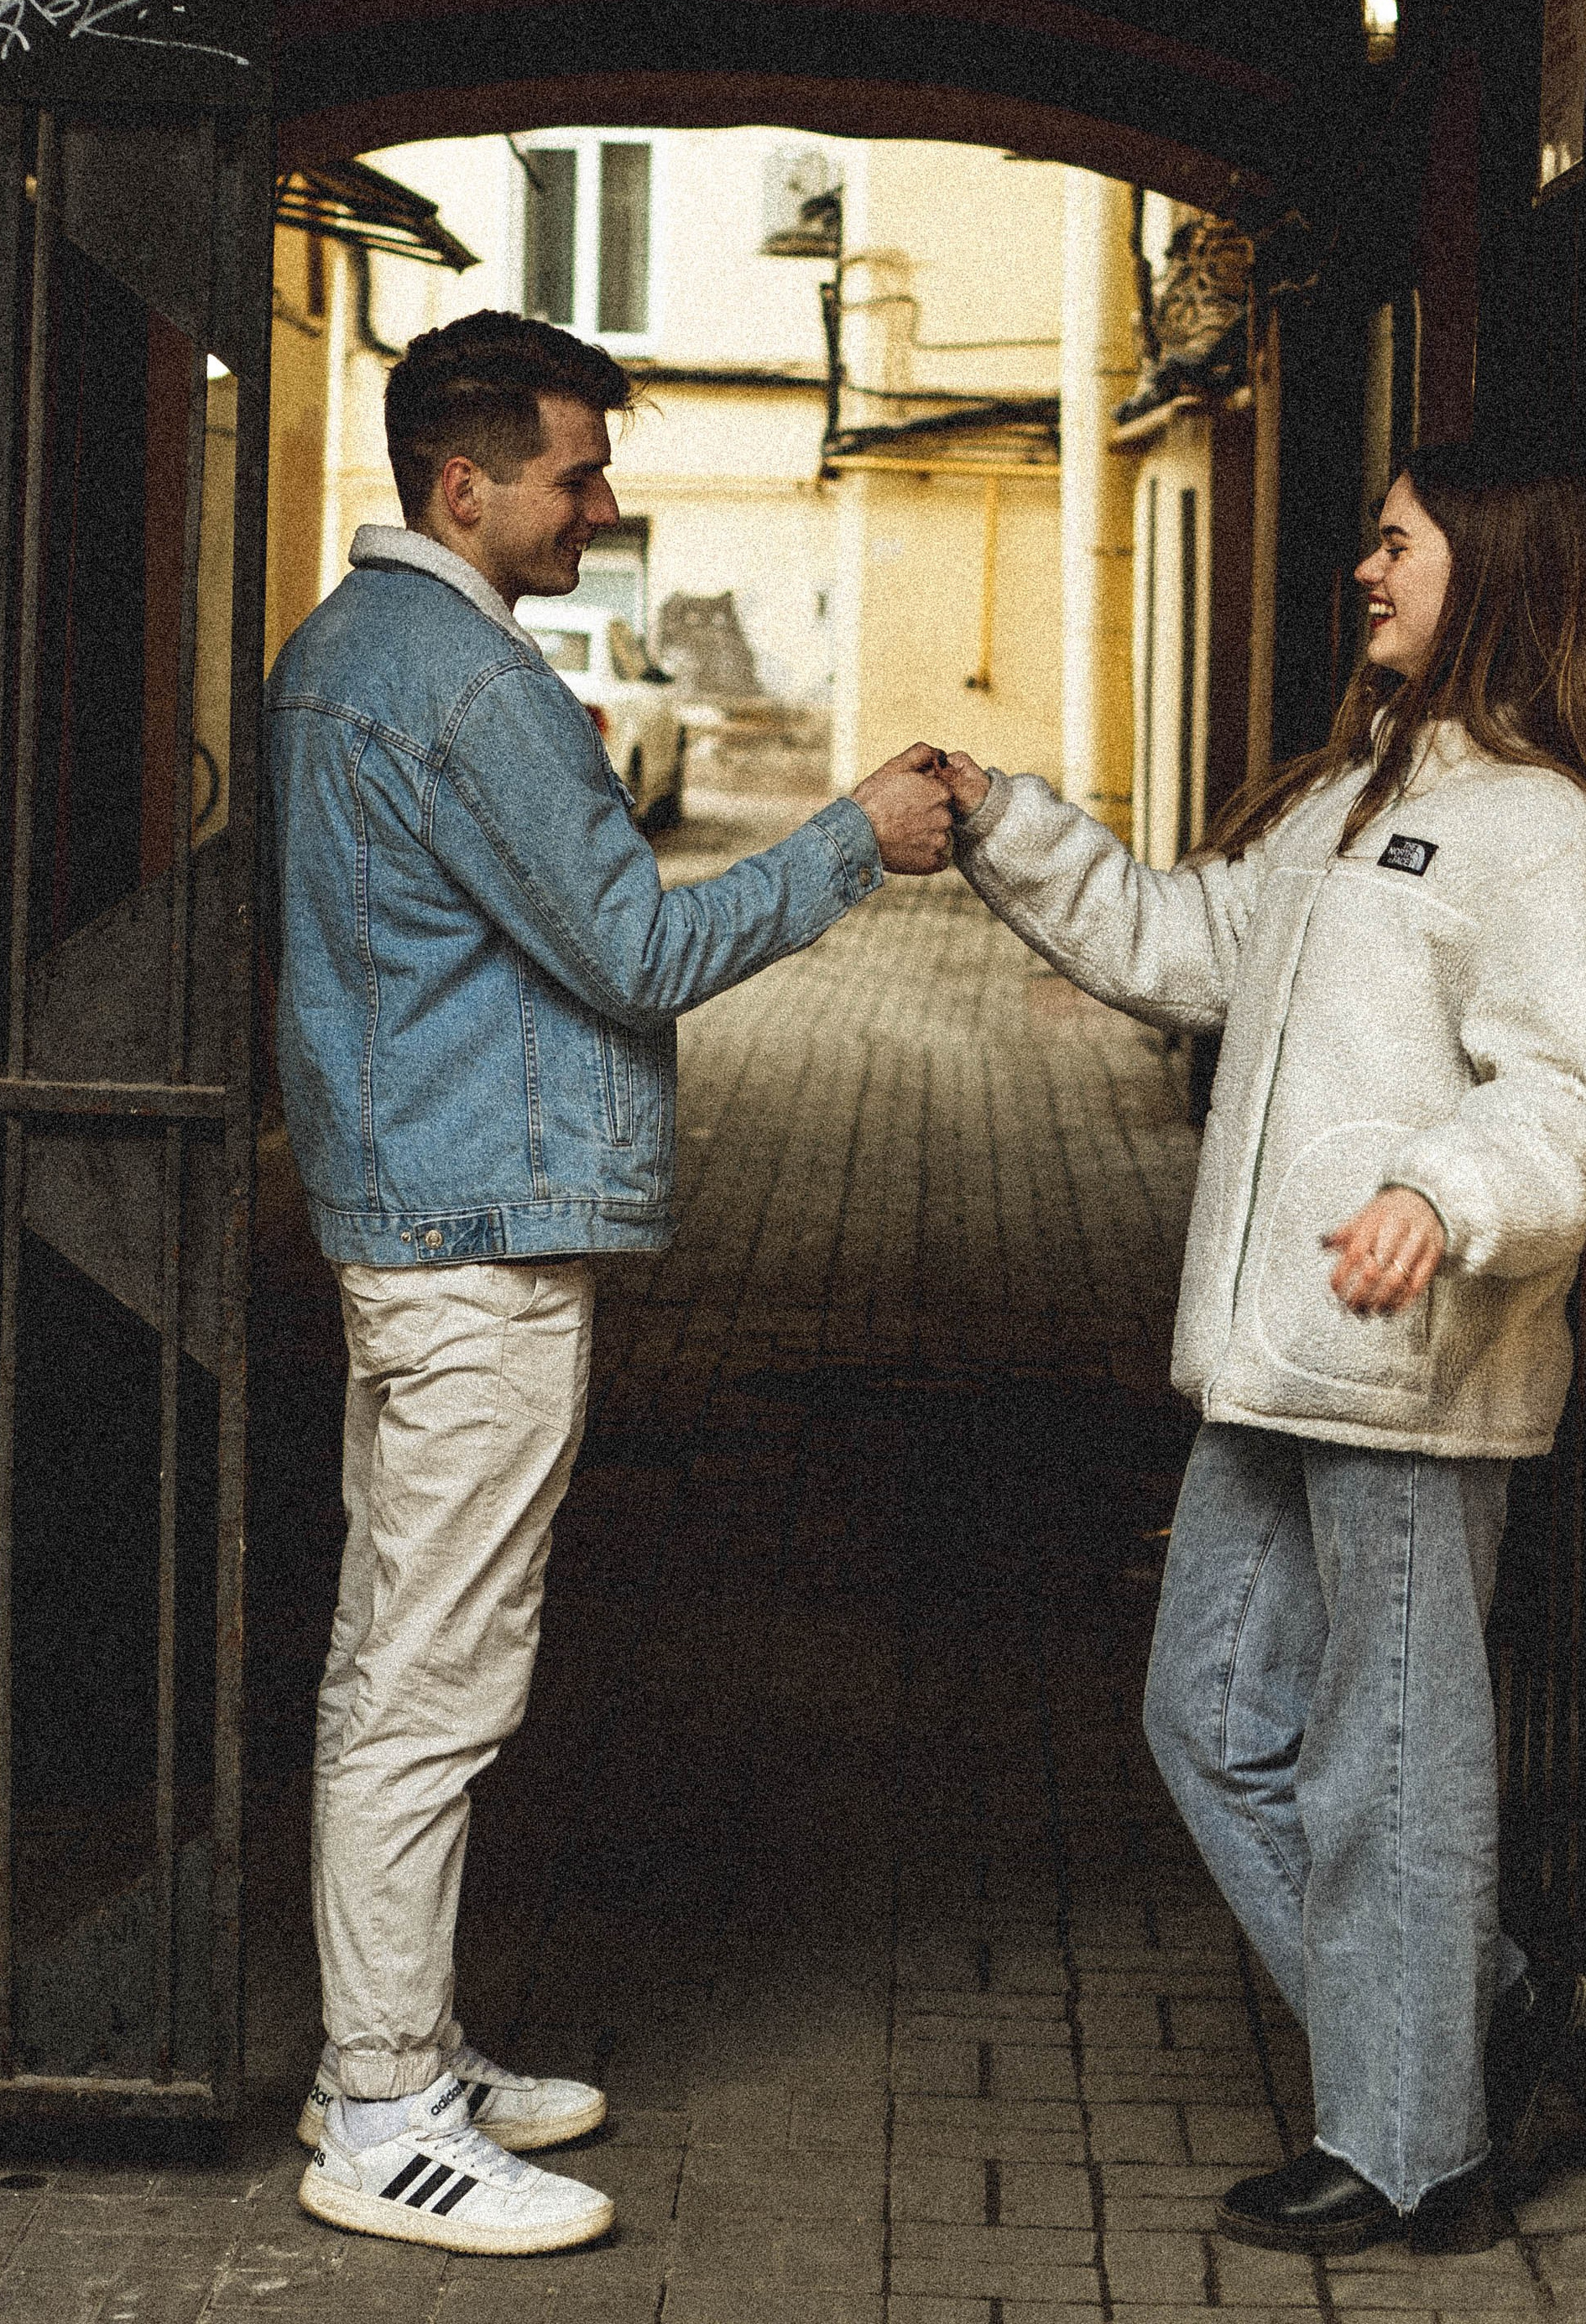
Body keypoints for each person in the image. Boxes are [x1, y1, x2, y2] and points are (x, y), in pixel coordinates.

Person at [266, 309, 954, 2258]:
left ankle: (380, 2055)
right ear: (461, 484)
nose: (603, 500)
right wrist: (853, 844)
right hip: (479, 1244)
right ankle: (386, 2113)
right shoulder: (466, 686)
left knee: (389, 1662)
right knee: (435, 1685)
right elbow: (635, 955)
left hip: (412, 1220)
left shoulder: (338, 656)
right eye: (575, 472)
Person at [941, 442, 1586, 2257]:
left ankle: (1412, 2144)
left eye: (1398, 542)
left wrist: (1439, 1187)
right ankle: (1486, 2015)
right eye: (1369, 538)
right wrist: (1000, 818)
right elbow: (1183, 944)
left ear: (1490, 567)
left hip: (1414, 1379)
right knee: (1203, 1719)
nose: (1364, 569)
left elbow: (1569, 1098)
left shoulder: (1537, 829)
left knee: (1389, 1765)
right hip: (1276, 1358)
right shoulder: (1353, 791)